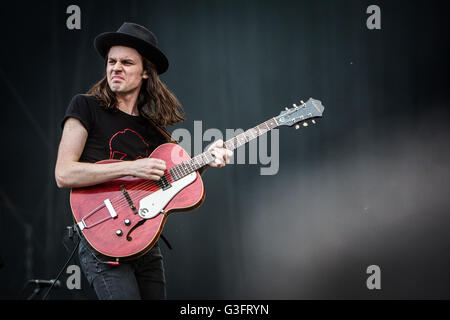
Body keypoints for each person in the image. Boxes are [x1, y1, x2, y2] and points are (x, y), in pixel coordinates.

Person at [54, 22, 233, 300]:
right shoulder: (85, 106)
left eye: (126, 62)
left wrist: (209, 159)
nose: (115, 67)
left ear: (146, 72)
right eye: (111, 61)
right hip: (102, 239)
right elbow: (64, 174)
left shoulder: (153, 130)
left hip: (145, 242)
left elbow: (172, 180)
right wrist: (131, 167)